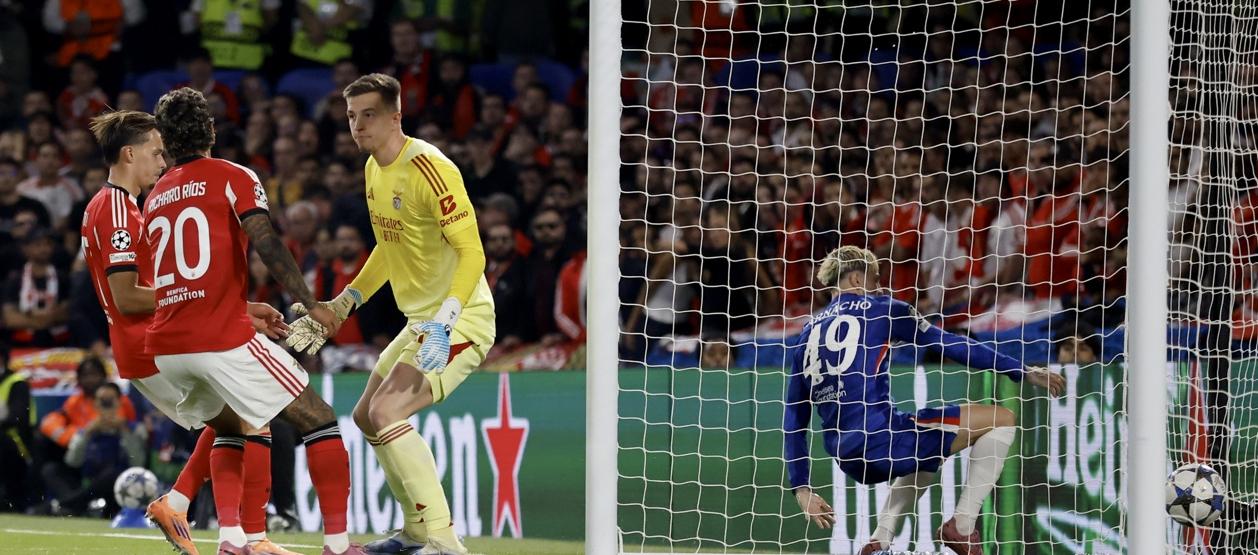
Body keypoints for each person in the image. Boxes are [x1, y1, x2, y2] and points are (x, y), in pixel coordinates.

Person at [285, 73, 495, 555]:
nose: (358, 126)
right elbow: (388, 245)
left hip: (460, 318)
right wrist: (346, 301)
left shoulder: (430, 167)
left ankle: (443, 541)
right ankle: (416, 533)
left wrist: (446, 319)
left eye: (369, 115)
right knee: (364, 416)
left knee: (387, 411)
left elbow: (473, 254)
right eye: (352, 117)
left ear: (396, 115)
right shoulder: (373, 170)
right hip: (420, 321)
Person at [147, 87, 359, 555]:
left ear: (164, 141)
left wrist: (241, 308)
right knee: (319, 420)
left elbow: (177, 280)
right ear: (212, 131)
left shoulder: (156, 196)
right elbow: (265, 241)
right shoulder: (233, 175)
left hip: (167, 346)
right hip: (218, 340)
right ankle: (340, 547)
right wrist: (310, 303)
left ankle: (234, 540)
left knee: (232, 425)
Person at [81, 109, 298, 555]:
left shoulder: (104, 205)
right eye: (155, 153)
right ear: (129, 153)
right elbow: (128, 296)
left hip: (148, 340)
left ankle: (193, 512)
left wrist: (234, 307)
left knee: (231, 425)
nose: (162, 163)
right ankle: (247, 538)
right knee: (252, 420)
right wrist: (196, 296)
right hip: (150, 340)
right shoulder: (120, 209)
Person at [783, 246, 1065, 555]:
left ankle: (880, 541)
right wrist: (1021, 371)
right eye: (875, 280)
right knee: (1001, 420)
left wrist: (802, 489)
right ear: (855, 278)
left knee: (928, 448)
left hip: (846, 456)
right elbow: (951, 344)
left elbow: (794, 421)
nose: (880, 288)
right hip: (881, 440)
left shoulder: (805, 335)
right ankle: (963, 526)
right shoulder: (883, 309)